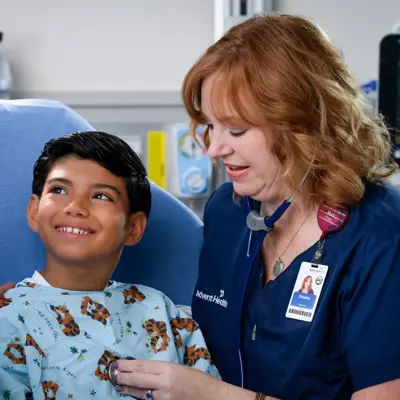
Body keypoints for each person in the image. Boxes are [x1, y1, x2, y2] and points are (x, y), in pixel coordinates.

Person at [87, 13, 400, 400]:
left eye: (236, 130)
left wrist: (215, 396)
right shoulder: (228, 211)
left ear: (304, 124)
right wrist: (45, 302)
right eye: (210, 126)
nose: (215, 149)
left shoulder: (380, 238)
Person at [0, 131, 219, 399]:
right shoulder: (8, 317)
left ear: (133, 227)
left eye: (101, 196)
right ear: (34, 211)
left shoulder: (161, 312)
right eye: (59, 190)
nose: (75, 207)